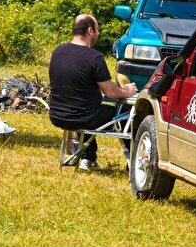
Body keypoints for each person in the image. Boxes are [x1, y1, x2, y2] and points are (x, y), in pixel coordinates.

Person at [48, 13, 137, 171]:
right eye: (97, 29)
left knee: (90, 108)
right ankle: (134, 163)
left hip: (57, 115)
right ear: (90, 31)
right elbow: (110, 92)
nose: (98, 33)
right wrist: (126, 91)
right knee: (127, 113)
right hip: (82, 116)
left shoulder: (58, 51)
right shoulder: (94, 57)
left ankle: (88, 159)